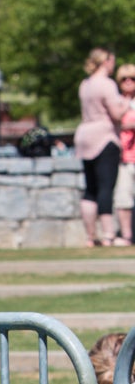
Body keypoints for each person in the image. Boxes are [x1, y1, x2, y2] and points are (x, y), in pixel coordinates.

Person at [74, 48, 126, 247]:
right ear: (105, 62)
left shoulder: (84, 84)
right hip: (104, 136)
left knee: (90, 188)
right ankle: (108, 235)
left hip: (85, 134)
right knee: (106, 186)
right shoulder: (106, 84)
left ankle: (90, 236)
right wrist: (126, 103)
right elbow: (116, 114)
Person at [114, 63, 135, 245]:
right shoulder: (116, 102)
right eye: (124, 79)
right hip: (123, 158)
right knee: (123, 198)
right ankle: (127, 236)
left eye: (133, 79)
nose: (129, 82)